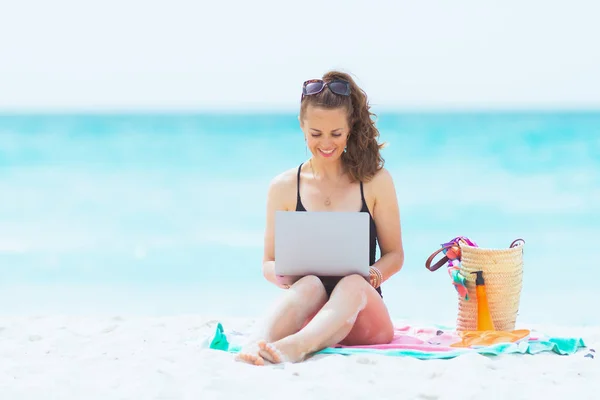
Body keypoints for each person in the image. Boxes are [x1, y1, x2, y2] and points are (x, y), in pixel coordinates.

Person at [236, 70, 405, 365]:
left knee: (352, 283)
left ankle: (297, 347)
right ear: (302, 126)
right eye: (316, 134)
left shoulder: (376, 181)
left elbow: (395, 255)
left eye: (336, 134)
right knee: (311, 284)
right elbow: (267, 262)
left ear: (350, 127)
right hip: (308, 313)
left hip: (363, 318)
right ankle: (255, 342)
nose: (326, 143)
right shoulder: (284, 187)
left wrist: (371, 276)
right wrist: (284, 274)